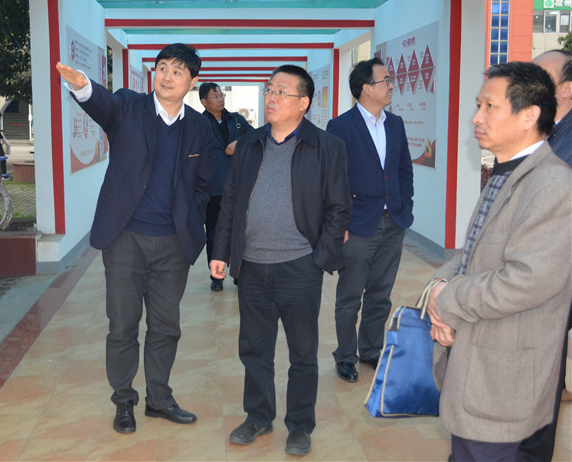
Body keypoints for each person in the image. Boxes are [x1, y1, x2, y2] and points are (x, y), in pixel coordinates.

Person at [56, 43, 212, 435]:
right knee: (122, 325)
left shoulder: (199, 126)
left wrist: (191, 221)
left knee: (166, 326)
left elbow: (205, 185)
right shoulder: (128, 107)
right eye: (163, 68)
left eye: (178, 71)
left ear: (192, 81)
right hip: (126, 238)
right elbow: (102, 104)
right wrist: (82, 86)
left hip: (173, 244)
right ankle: (124, 401)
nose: (167, 76)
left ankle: (159, 399)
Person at [426, 61, 572, 462]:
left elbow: (527, 280)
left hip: (503, 374)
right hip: (477, 360)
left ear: (529, 116)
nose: (476, 117)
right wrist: (438, 286)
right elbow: (473, 250)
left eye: (489, 106)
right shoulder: (508, 172)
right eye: (479, 105)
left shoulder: (553, 184)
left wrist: (447, 300)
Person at [209, 65, 350, 456]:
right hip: (252, 267)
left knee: (302, 353)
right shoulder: (249, 145)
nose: (271, 97)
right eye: (269, 89)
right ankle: (258, 416)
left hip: (300, 267)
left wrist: (318, 259)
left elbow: (339, 208)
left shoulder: (326, 146)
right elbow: (230, 203)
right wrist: (221, 252)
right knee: (254, 349)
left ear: (303, 103)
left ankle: (300, 425)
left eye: (281, 92)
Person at [326, 57, 414, 383]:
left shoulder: (396, 124)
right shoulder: (340, 126)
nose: (391, 85)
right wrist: (340, 224)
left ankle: (371, 350)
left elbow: (404, 170)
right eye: (385, 80)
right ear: (366, 88)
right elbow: (332, 180)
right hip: (358, 225)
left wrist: (406, 205)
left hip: (393, 222)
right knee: (350, 297)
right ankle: (346, 356)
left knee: (380, 294)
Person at [518, 49, 572, 461]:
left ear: (567, 89)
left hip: (555, 273)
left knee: (542, 371)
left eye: (541, 75)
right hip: (531, 270)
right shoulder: (542, 132)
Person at [199, 82, 253, 291]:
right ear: (204, 102)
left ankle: (239, 274)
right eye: (215, 96)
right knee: (213, 233)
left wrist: (239, 143)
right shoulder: (199, 124)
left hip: (239, 186)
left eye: (221, 95)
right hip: (212, 189)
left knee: (241, 231)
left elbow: (255, 136)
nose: (220, 99)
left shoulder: (236, 120)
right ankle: (216, 276)